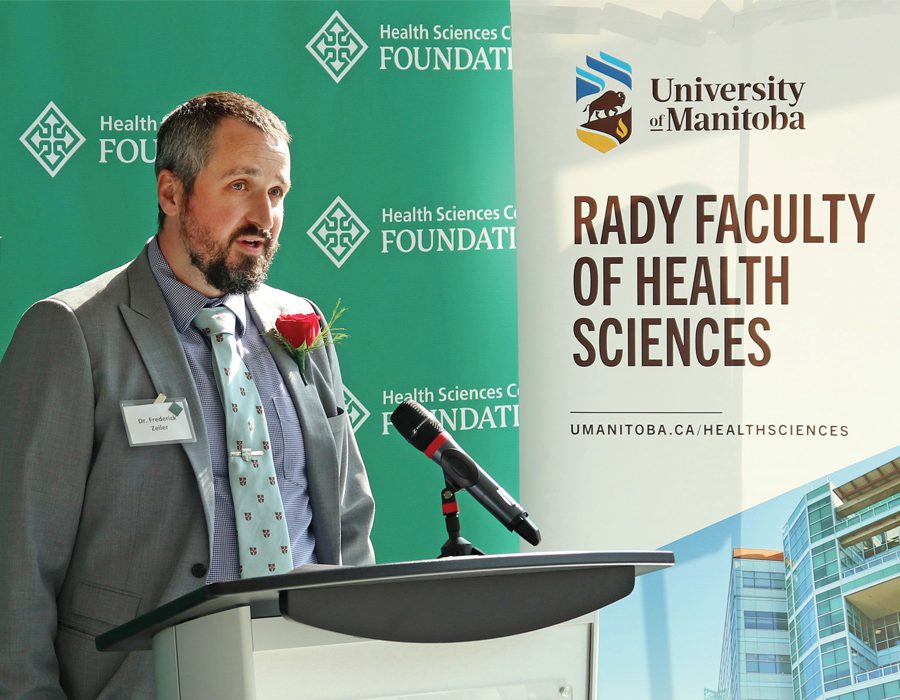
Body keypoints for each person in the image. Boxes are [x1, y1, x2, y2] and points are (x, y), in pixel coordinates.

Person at [0, 91, 376, 699]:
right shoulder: (72, 332)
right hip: (146, 681)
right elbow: (18, 562)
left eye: (277, 192)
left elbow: (348, 520)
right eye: (240, 186)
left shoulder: (299, 322)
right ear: (171, 193)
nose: (264, 216)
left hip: (305, 679)